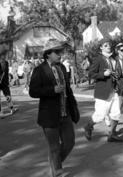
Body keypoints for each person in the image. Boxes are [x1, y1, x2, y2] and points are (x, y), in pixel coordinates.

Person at [29, 38, 79, 177]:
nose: (60, 54)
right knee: (55, 147)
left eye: (60, 51)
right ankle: (57, 171)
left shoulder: (62, 67)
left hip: (65, 113)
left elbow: (68, 90)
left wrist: (74, 108)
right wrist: (52, 90)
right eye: (57, 51)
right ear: (48, 54)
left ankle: (54, 161)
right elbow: (33, 92)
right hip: (49, 115)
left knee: (70, 142)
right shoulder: (39, 70)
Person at [83, 38, 123, 142]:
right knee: (100, 115)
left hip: (114, 90)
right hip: (103, 91)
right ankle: (88, 126)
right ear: (101, 48)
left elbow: (117, 72)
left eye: (109, 45)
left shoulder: (114, 58)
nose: (108, 46)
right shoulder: (98, 59)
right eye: (105, 45)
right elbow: (91, 74)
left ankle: (112, 134)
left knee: (116, 113)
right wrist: (103, 74)